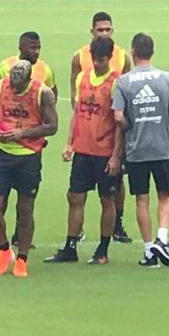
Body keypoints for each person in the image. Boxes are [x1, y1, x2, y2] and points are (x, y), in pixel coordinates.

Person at [0, 31, 58, 247]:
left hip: (29, 152)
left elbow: (52, 110)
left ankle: (20, 245)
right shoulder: (5, 70)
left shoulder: (44, 72)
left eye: (38, 47)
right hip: (4, 150)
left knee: (25, 206)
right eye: (32, 47)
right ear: (20, 47)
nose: (36, 51)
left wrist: (34, 131)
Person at [46, 36, 122, 266]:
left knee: (107, 199)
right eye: (94, 59)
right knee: (75, 196)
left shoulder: (117, 83)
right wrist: (70, 143)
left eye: (101, 60)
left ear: (109, 58)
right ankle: (70, 247)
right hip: (83, 149)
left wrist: (116, 155)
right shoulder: (83, 77)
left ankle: (103, 249)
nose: (97, 64)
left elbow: (120, 123)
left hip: (105, 151)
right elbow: (78, 112)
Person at [111, 33, 169, 268]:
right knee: (164, 195)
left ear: (133, 52)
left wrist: (132, 125)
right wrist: (162, 118)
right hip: (162, 147)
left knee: (141, 199)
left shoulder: (123, 82)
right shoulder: (167, 78)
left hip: (136, 149)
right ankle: (162, 238)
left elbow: (118, 117)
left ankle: (149, 249)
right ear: (152, 52)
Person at [0, 60, 58, 278]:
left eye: (19, 86)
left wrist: (22, 134)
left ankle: (22, 259)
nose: (14, 89)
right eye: (12, 85)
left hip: (29, 157)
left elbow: (52, 126)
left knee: (25, 209)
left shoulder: (43, 93)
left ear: (28, 80)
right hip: (2, 155)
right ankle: (4, 250)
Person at [69, 12, 133, 244]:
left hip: (108, 140)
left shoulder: (122, 57)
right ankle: (76, 235)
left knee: (114, 188)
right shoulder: (80, 58)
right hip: (86, 137)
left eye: (108, 29)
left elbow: (125, 97)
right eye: (100, 29)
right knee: (76, 194)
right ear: (92, 31)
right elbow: (75, 100)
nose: (104, 32)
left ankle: (118, 225)